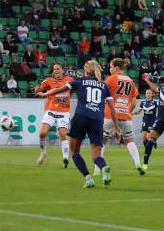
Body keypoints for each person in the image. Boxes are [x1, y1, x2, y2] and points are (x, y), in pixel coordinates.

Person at [38, 60, 120, 188]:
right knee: (96, 155)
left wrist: (45, 93)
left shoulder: (79, 81)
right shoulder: (104, 86)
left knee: (75, 152)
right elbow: (112, 108)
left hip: (81, 118)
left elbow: (59, 89)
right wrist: (116, 129)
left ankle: (88, 179)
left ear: (86, 70)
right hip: (97, 121)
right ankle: (104, 168)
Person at [94, 58, 143, 176]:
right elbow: (134, 103)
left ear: (116, 68)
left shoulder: (110, 79)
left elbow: (100, 94)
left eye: (110, 67)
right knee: (130, 141)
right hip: (126, 117)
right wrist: (127, 111)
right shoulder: (130, 81)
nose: (109, 69)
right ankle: (138, 164)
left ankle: (97, 171)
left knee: (100, 142)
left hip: (109, 116)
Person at [35, 64, 74, 169]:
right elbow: (37, 91)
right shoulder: (48, 80)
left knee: (62, 134)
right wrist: (38, 88)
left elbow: (79, 86)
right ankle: (43, 153)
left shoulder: (69, 80)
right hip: (51, 111)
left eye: (58, 69)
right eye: (54, 69)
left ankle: (65, 158)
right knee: (42, 133)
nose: (56, 71)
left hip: (64, 112)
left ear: (62, 70)